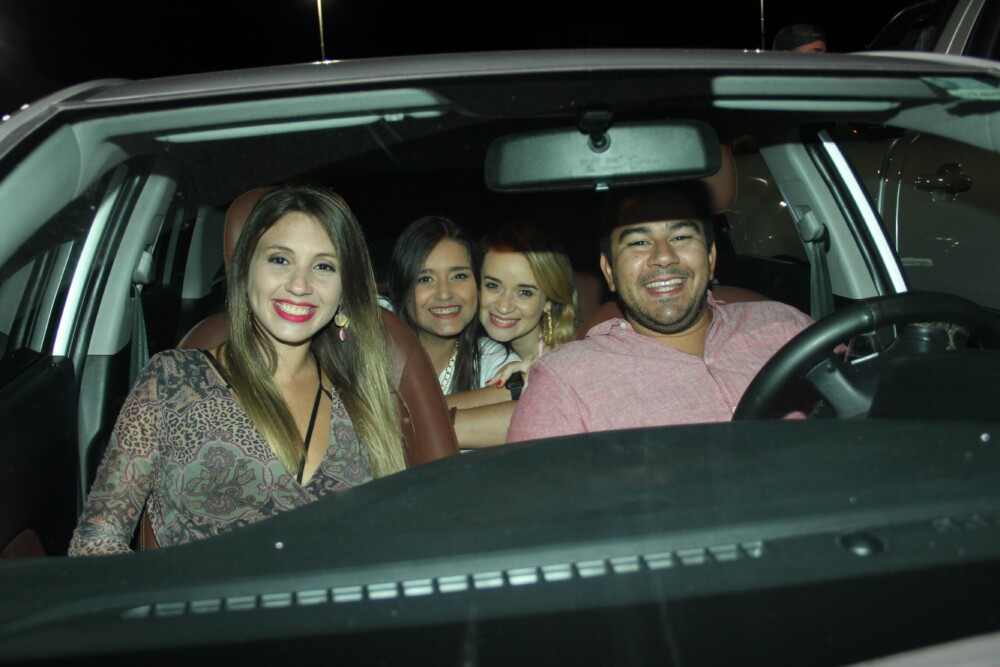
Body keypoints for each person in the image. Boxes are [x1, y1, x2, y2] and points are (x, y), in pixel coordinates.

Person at [70, 185, 407, 555]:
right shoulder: (172, 381)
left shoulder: (363, 397)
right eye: (280, 260)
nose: (299, 285)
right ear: (245, 270)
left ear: (344, 290)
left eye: (324, 266)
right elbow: (96, 541)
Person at [506, 185, 813, 442]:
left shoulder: (787, 326)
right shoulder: (565, 379)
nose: (664, 257)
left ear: (710, 257)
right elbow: (534, 491)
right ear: (609, 271)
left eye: (680, 237)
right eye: (639, 242)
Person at [448, 223, 580, 447]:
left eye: (524, 292)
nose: (503, 306)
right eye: (493, 286)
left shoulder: (568, 360)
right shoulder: (480, 351)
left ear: (548, 301)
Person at [387, 216, 516, 395]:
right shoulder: (372, 334)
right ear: (401, 288)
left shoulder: (493, 361)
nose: (444, 293)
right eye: (425, 279)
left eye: (458, 276)